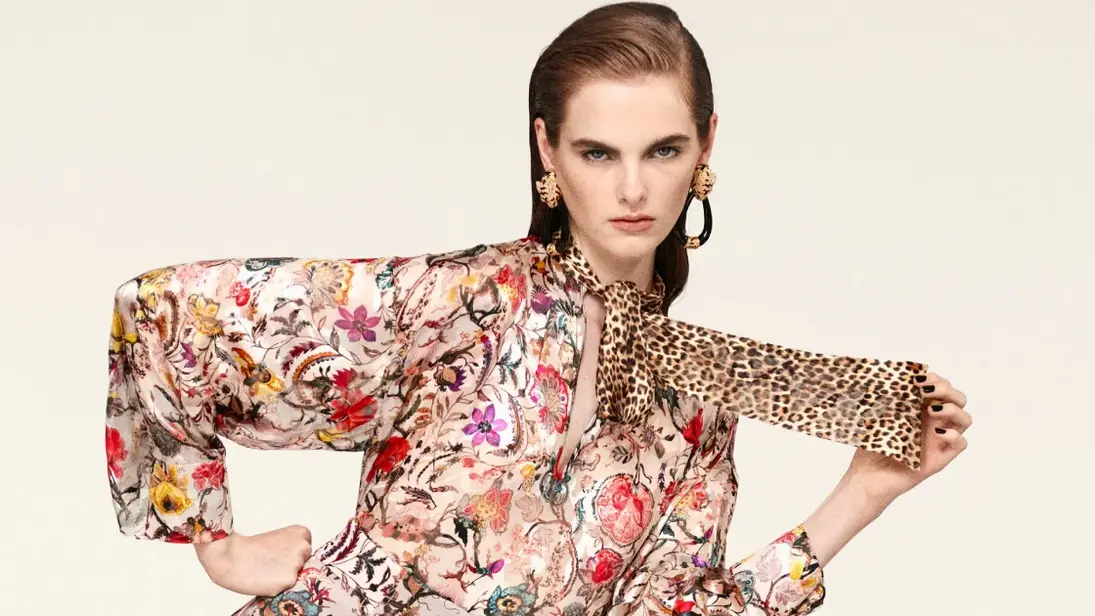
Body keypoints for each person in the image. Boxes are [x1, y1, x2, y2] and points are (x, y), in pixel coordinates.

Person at [103, 3, 971, 615]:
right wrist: (215, 543)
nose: (631, 189)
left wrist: (861, 495)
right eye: (597, 152)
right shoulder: (465, 303)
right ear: (546, 149)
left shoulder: (697, 399)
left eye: (662, 150)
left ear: (705, 147)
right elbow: (163, 313)